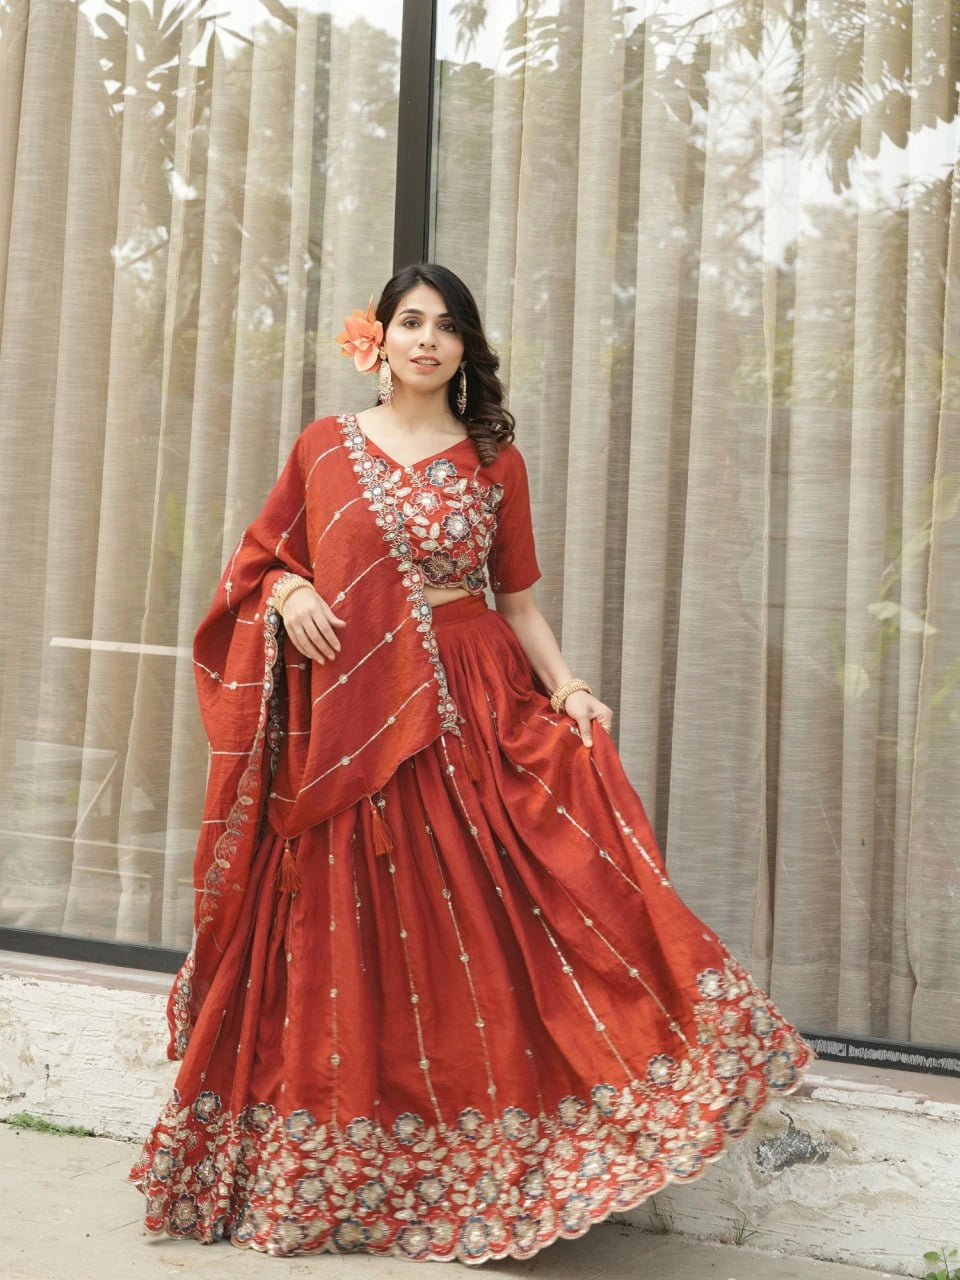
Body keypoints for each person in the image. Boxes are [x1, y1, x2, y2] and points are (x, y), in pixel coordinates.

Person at [129, 263, 810, 1262]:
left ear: (465, 348)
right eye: (410, 321)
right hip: (352, 721)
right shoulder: (326, 448)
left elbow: (518, 601)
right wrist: (285, 596)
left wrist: (571, 688)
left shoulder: (494, 458)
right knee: (357, 946)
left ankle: (495, 1178)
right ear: (380, 337)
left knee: (494, 936)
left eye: (446, 326)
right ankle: (345, 1178)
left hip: (471, 711)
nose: (426, 340)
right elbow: (258, 560)